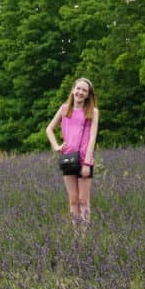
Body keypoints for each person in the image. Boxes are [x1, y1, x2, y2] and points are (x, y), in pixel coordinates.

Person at [45, 77, 100, 225]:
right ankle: (76, 234)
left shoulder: (92, 112)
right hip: (68, 158)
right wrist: (56, 146)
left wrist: (87, 163)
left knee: (83, 200)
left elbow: (92, 138)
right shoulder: (64, 109)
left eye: (84, 90)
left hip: (84, 160)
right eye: (78, 89)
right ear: (72, 90)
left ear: (88, 94)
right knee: (73, 200)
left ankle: (84, 236)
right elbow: (49, 129)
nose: (80, 92)